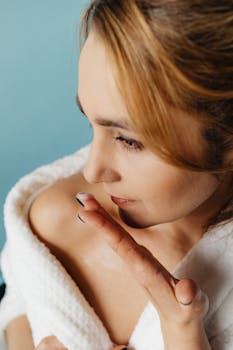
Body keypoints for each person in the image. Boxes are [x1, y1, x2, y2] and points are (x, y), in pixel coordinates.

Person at [1, 0, 233, 349]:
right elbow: (15, 313)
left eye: (129, 140)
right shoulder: (51, 227)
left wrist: (183, 331)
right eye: (91, 122)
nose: (94, 171)